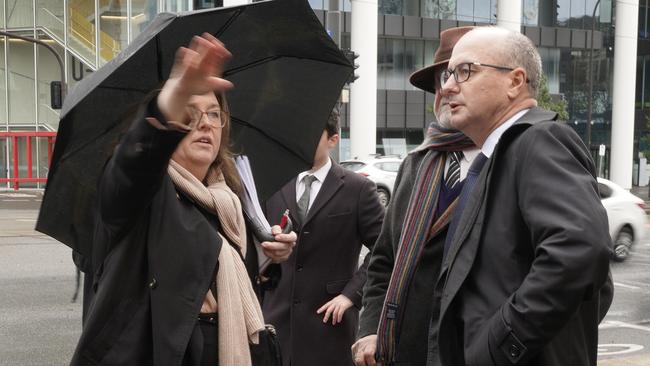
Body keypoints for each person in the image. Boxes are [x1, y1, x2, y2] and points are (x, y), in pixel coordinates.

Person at [70, 33, 296, 366]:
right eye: (190, 114)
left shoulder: (227, 200)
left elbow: (220, 273)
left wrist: (266, 258)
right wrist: (173, 96)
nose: (205, 123)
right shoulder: (144, 192)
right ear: (172, 124)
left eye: (213, 114)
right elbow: (131, 171)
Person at [432, 26, 612, 366]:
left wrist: (500, 345)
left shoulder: (540, 139)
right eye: (448, 74)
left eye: (465, 71)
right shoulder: (495, 157)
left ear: (515, 81)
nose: (448, 86)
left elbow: (580, 251)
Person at [351, 26, 479, 366]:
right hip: (404, 353)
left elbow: (581, 281)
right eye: (440, 79)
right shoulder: (417, 165)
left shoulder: (514, 159)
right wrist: (369, 329)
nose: (447, 89)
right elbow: (382, 261)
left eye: (461, 75)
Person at [262, 107, 385, 366]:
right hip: (276, 322)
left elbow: (384, 249)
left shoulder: (358, 189)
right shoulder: (273, 183)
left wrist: (351, 295)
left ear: (333, 139)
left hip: (329, 325)